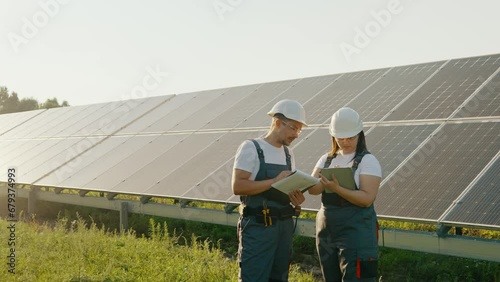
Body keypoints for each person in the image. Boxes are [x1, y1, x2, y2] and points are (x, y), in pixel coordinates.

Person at [232, 99, 307, 282]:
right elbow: (238, 186)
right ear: (277, 123)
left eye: (299, 129)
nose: (296, 134)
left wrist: (296, 199)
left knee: (279, 277)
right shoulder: (251, 148)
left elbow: (286, 189)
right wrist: (273, 181)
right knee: (254, 277)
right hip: (257, 227)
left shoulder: (289, 154)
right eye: (293, 128)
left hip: (283, 227)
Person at [308, 107, 382, 282]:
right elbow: (313, 189)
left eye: (351, 137)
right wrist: (320, 181)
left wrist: (336, 187)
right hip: (327, 228)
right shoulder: (326, 159)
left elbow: (366, 199)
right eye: (341, 138)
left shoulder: (368, 161)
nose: (345, 142)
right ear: (333, 136)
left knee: (357, 276)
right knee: (330, 276)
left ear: (360, 134)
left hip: (356, 230)